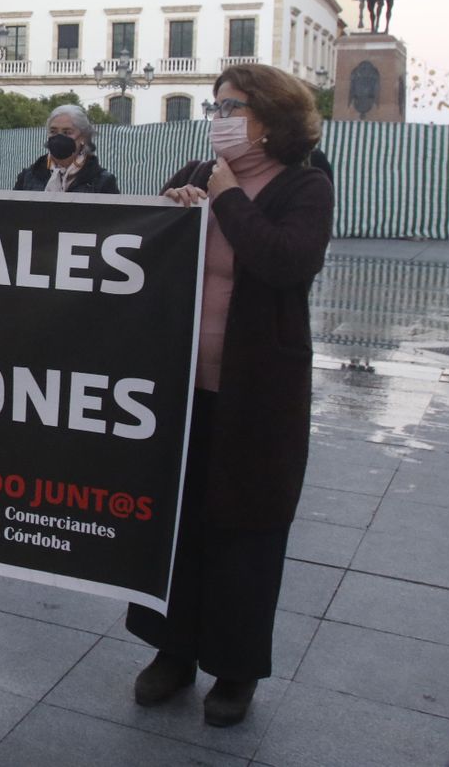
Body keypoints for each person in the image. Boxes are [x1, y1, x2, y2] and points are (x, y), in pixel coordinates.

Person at [126, 63, 333, 728]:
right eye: (216, 104)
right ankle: (173, 652)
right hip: (182, 392)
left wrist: (229, 199)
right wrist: (172, 206)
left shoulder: (305, 185)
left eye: (233, 105)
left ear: (271, 118)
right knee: (178, 523)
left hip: (258, 398)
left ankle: (235, 669)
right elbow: (147, 246)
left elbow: (285, 260)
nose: (219, 115)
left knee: (245, 528)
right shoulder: (196, 170)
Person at [12, 105, 120, 194]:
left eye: (67, 132)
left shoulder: (102, 181)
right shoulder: (29, 177)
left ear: (83, 137)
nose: (59, 138)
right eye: (53, 131)